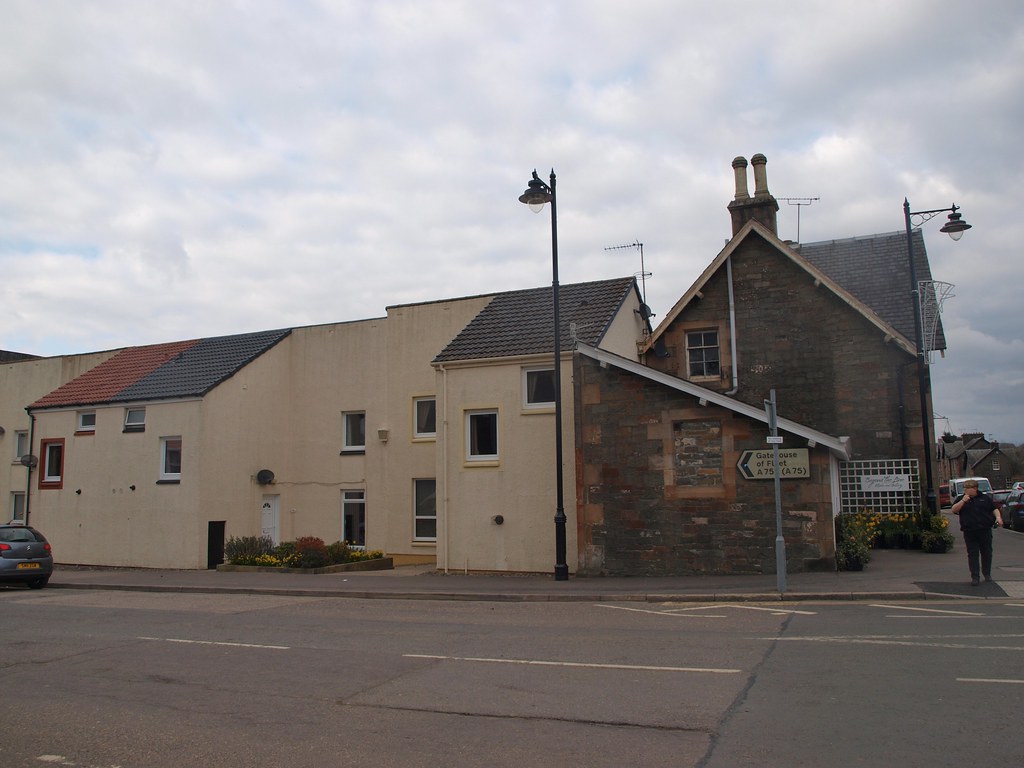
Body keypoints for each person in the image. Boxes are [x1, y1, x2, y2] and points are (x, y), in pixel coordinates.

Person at [950, 479, 1002, 585]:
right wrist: (963, 501)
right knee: (973, 554)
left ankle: (987, 574)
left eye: (967, 488)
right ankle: (975, 576)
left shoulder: (984, 498)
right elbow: (954, 510)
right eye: (964, 488)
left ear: (974, 489)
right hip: (969, 530)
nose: (965, 490)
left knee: (986, 552)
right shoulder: (961, 499)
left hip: (984, 529)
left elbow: (994, 508)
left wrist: (998, 517)